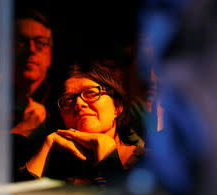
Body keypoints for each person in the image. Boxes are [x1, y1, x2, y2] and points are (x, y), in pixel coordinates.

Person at [22, 62, 145, 185]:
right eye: (68, 99)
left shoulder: (148, 163)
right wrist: (47, 145)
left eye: (91, 93)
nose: (78, 103)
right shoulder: (53, 165)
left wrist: (107, 152)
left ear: (117, 107)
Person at [11, 8, 53, 138]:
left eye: (40, 43)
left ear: (50, 54)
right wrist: (24, 129)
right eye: (21, 42)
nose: (31, 49)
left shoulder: (66, 104)